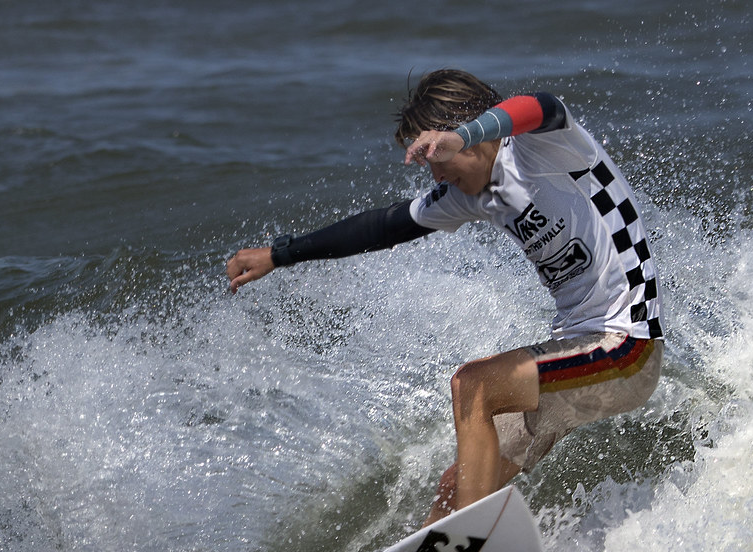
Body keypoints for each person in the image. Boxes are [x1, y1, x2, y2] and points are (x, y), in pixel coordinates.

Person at [226, 69, 663, 526]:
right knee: (457, 487)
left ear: (466, 135)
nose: (434, 173)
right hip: (577, 351)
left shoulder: (545, 148)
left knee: (473, 384)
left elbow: (540, 104)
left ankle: (466, 548)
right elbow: (382, 227)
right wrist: (280, 253)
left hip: (629, 346)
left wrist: (463, 134)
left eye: (436, 156)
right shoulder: (472, 194)